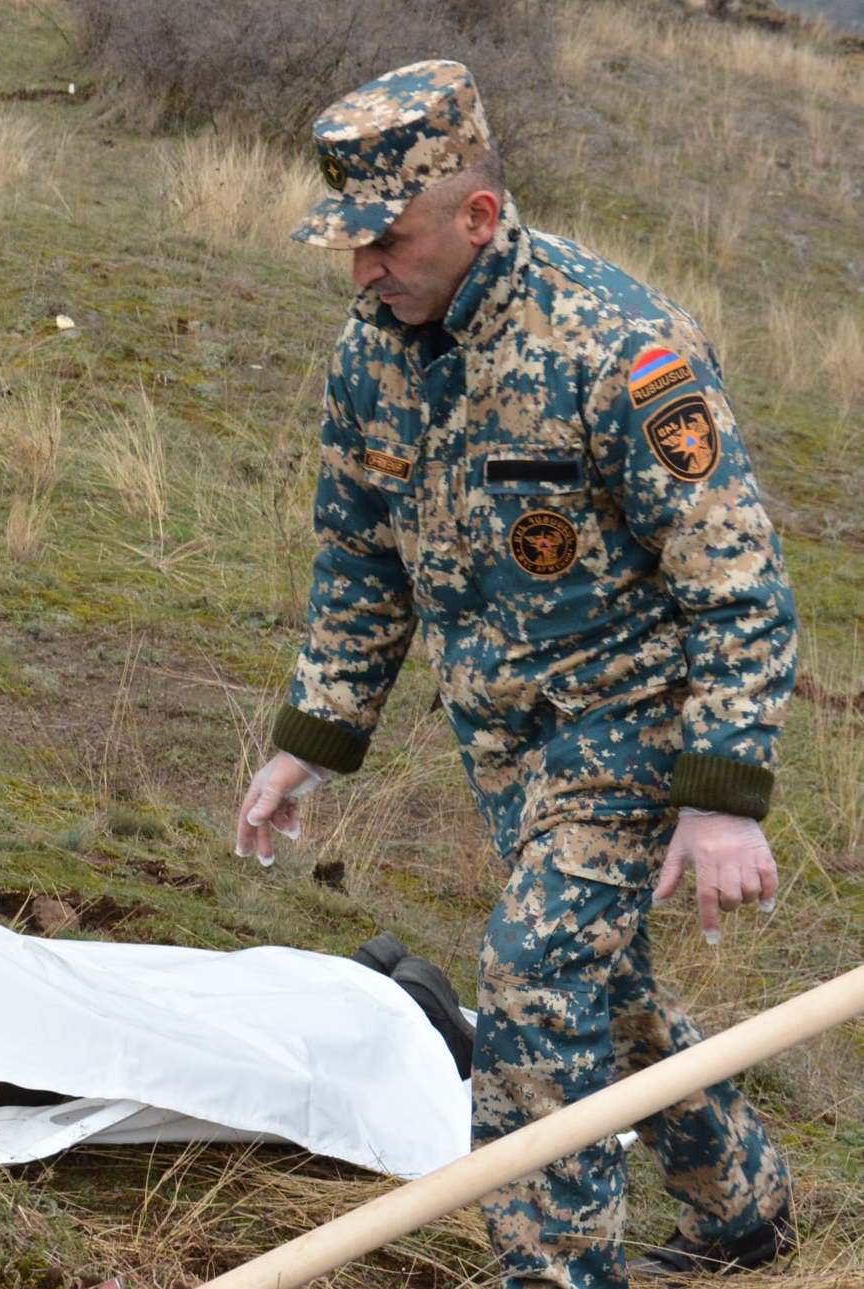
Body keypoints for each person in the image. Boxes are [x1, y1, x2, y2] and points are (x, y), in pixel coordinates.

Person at [233, 62, 797, 1286]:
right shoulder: (373, 349)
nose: (362, 270)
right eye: (349, 245)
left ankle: (553, 1274)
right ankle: (743, 1205)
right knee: (605, 985)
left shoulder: (618, 347)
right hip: (506, 742)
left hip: (635, 722)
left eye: (385, 238)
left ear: (478, 217)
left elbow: (738, 583)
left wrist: (718, 795)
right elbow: (359, 555)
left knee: (535, 990)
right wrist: (310, 735)